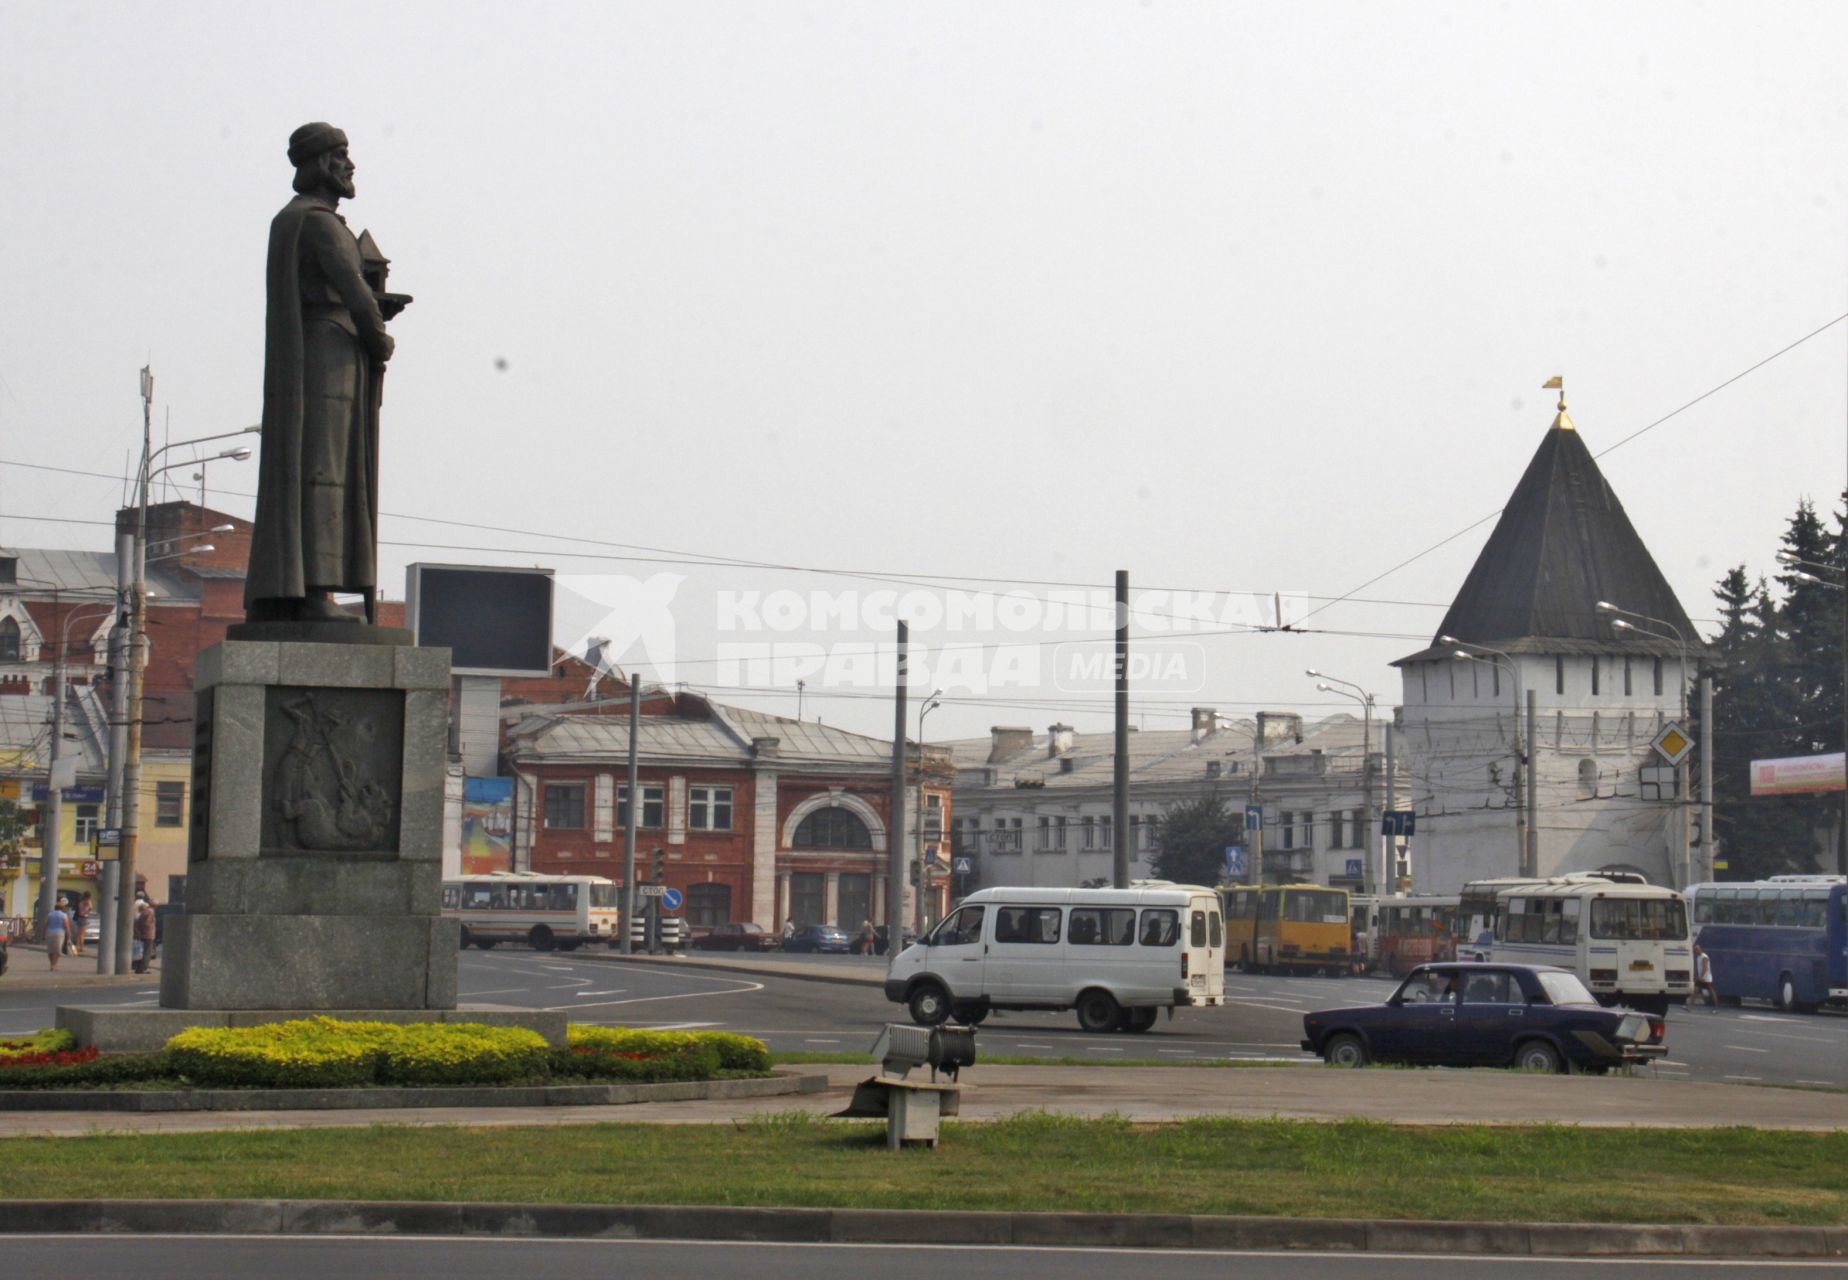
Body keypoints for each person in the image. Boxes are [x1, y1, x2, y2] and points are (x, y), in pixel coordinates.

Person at [244, 122, 405, 625]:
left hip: (318, 354)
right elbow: (354, 291)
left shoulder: (288, 221)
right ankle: (314, 595)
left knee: (312, 469)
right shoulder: (318, 223)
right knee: (326, 473)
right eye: (340, 156)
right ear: (318, 165)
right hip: (330, 361)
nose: (350, 165)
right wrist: (379, 336)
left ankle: (289, 594)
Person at [132, 895, 158, 975]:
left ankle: (139, 968)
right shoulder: (150, 912)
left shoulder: (145, 911)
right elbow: (146, 923)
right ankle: (143, 968)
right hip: (148, 935)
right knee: (147, 952)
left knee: (143, 951)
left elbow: (139, 922)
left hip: (145, 934)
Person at [43, 899, 71, 972]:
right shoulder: (64, 915)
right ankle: (54, 966)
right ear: (62, 908)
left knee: (50, 950)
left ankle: (52, 965)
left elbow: (46, 925)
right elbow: (66, 926)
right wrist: (68, 937)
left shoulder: (50, 914)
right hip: (59, 933)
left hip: (49, 933)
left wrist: (43, 934)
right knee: (57, 951)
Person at [1689, 942, 1718, 1010]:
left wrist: (1701, 977)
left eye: (1697, 949)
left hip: (1706, 978)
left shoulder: (1704, 957)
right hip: (1702, 978)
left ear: (1700, 949)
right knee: (1695, 991)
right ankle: (1689, 1006)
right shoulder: (1698, 957)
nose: (1696, 951)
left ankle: (1716, 1006)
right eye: (1695, 949)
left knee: (1711, 991)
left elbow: (1705, 968)